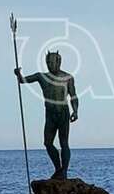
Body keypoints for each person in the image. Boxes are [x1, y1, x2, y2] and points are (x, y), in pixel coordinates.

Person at [15, 50, 79, 180]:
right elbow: (23, 81)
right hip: (50, 114)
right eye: (48, 62)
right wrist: (18, 74)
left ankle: (64, 171)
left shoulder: (68, 78)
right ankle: (58, 169)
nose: (50, 64)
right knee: (48, 143)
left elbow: (73, 96)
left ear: (59, 62)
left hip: (63, 112)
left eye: (52, 62)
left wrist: (75, 110)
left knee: (64, 142)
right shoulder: (41, 77)